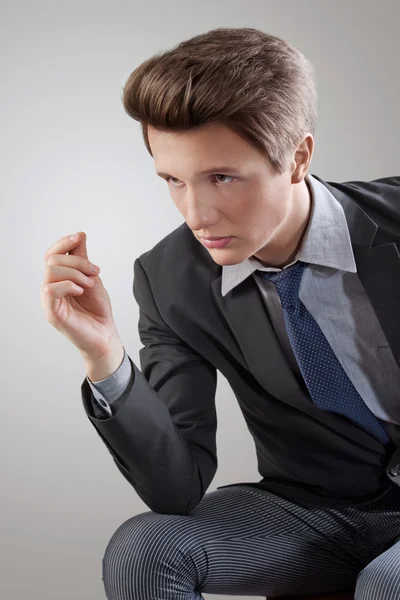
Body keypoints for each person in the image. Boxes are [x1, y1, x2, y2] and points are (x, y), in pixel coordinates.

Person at [40, 27, 400, 600]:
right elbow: (175, 491)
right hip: (314, 513)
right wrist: (104, 355)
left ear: (299, 157)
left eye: (222, 177)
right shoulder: (169, 281)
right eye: (173, 181)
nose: (196, 213)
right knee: (144, 550)